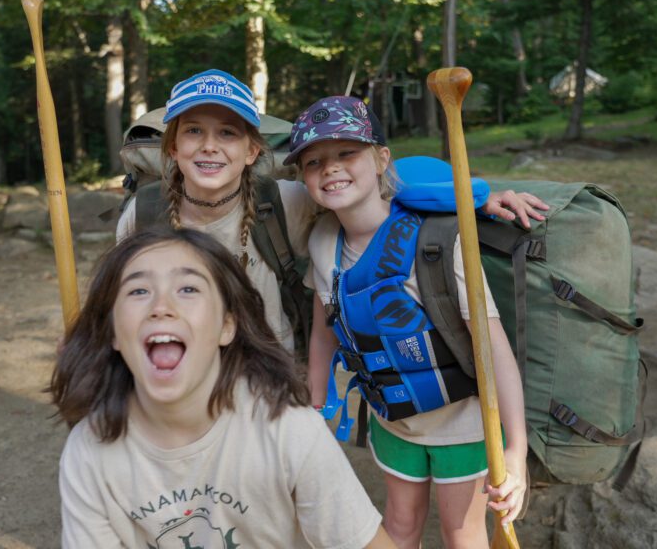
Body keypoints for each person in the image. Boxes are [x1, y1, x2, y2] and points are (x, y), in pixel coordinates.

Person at [116, 68, 547, 352]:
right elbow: (120, 297)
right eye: (193, 131)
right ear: (173, 146)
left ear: (251, 151)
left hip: (271, 378)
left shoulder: (285, 202)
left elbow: (369, 188)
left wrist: (475, 197)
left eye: (227, 133)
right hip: (177, 377)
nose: (209, 145)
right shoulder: (144, 212)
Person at [284, 96, 538, 549]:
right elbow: (327, 322)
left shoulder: (437, 241)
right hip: (393, 420)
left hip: (465, 426)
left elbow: (493, 347)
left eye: (347, 153)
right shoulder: (323, 240)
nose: (331, 169)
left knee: (462, 533)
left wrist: (516, 453)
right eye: (314, 161)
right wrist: (315, 400)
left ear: (381, 159)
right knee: (399, 527)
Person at [49, 226, 397, 548]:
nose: (161, 307)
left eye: (188, 288)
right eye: (139, 290)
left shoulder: (287, 430)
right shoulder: (90, 450)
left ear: (226, 326)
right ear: (112, 332)